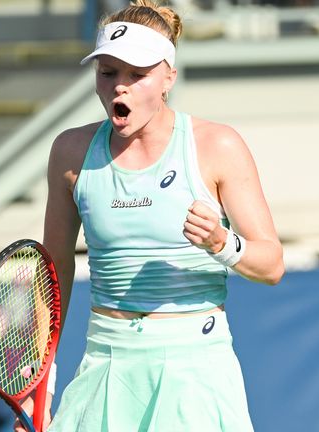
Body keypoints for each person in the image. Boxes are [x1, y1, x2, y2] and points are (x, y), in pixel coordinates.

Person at [24, 1, 285, 430]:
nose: (119, 88)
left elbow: (272, 264)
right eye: (107, 73)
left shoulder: (217, 146)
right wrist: (41, 383)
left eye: (136, 74)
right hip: (105, 365)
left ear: (168, 78)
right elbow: (54, 273)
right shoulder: (70, 154)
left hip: (195, 371)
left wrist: (223, 244)